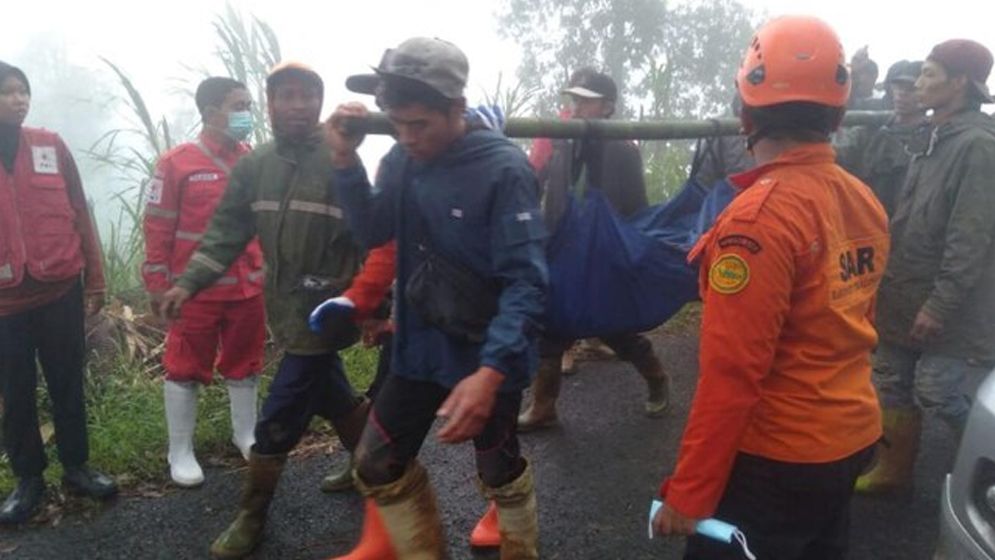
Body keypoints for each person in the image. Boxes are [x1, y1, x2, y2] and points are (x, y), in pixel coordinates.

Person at [652, 17, 889, 559]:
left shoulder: (755, 225)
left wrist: (690, 493)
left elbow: (732, 376)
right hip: (849, 436)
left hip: (779, 461)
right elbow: (859, 317)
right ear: (839, 114)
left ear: (744, 114)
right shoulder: (861, 198)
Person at [326, 36, 548, 560]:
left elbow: (528, 283)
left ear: (456, 108)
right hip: (418, 346)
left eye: (419, 124)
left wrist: (490, 375)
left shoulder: (504, 170)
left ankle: (521, 549)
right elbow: (374, 226)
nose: (406, 137)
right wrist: (344, 162)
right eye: (397, 125)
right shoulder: (404, 159)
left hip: (486, 348)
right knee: (376, 463)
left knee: (496, 468)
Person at [158, 62, 372, 559]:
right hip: (284, 308)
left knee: (277, 418)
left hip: (328, 310)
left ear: (320, 103)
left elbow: (367, 236)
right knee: (334, 394)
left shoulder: (340, 160)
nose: (297, 105)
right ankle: (374, 464)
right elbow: (225, 233)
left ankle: (253, 512)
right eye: (286, 95)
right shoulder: (256, 166)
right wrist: (187, 283)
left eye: (307, 95)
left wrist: (374, 306)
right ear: (271, 103)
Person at [856, 39, 995, 496]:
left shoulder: (976, 147)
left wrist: (939, 304)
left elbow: (970, 237)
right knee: (891, 378)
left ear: (960, 84)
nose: (918, 85)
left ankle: (986, 463)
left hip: (947, 299)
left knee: (938, 389)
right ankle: (893, 469)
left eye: (930, 75)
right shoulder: (933, 136)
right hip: (905, 286)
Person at [517, 70, 670, 432]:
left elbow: (636, 207)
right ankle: (544, 406)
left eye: (587, 100)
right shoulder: (562, 141)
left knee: (615, 327)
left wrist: (630, 253)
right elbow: (541, 188)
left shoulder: (622, 149)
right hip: (561, 247)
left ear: (608, 107)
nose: (577, 106)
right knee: (551, 326)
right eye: (576, 99)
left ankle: (657, 378)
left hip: (603, 251)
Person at [0, 61, 118, 524]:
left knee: (68, 382)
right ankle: (28, 480)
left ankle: (77, 467)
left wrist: (97, 278)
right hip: (5, 303)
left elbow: (79, 211)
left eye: (23, 91)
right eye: (8, 92)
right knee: (16, 391)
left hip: (59, 290)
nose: (18, 99)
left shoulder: (50, 145)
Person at [142, 77, 265, 487]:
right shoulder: (176, 163)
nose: (247, 113)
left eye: (248, 104)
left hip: (247, 285)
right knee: (184, 366)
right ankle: (180, 451)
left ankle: (245, 434)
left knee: (245, 362)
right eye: (239, 105)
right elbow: (157, 226)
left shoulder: (251, 159)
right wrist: (158, 283)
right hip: (193, 291)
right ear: (211, 113)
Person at [835, 60, 931, 217]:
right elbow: (840, 152)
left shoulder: (934, 139)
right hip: (865, 218)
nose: (902, 93)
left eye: (911, 89)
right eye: (899, 87)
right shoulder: (871, 132)